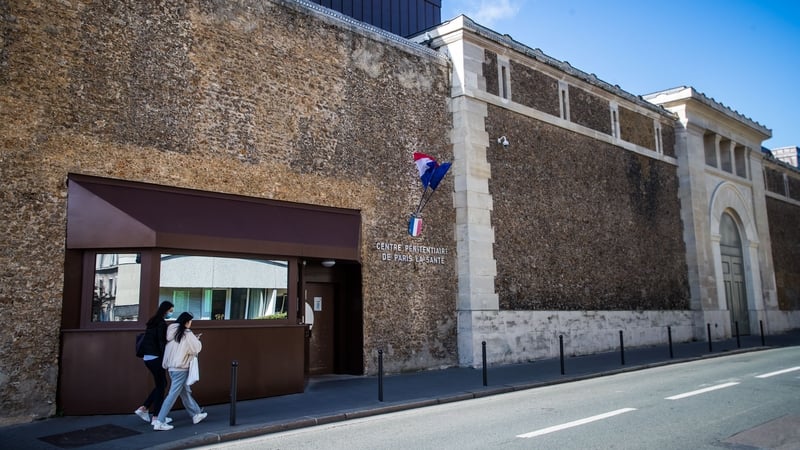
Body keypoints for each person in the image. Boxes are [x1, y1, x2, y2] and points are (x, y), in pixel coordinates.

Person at [153, 312, 207, 431]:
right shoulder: (186, 333)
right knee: (173, 395)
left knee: (185, 392)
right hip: (181, 368)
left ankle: (196, 414)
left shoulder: (172, 332)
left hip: (172, 368)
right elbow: (196, 348)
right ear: (186, 322)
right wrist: (196, 339)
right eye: (191, 321)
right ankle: (159, 421)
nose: (191, 323)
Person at [134, 301, 174, 425]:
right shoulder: (161, 324)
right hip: (156, 358)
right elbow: (161, 343)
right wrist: (166, 359)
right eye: (171, 311)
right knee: (161, 386)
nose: (171, 313)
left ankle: (144, 408)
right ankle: (156, 417)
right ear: (165, 310)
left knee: (161, 384)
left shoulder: (152, 322)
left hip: (148, 357)